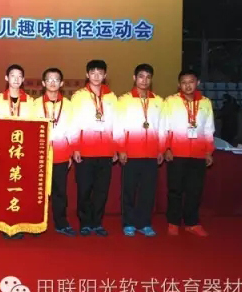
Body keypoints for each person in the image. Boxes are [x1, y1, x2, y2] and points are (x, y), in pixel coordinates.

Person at [160, 69, 214, 237]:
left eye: (191, 82)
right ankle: (173, 222)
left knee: (195, 190)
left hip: (198, 153)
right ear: (179, 84)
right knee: (175, 189)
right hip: (177, 152)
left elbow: (208, 129)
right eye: (184, 82)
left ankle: (192, 222)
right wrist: (166, 148)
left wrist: (209, 151)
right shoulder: (170, 101)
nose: (187, 86)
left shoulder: (205, 102)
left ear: (197, 83)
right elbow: (164, 126)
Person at [114, 64, 164, 237]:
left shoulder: (158, 101)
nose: (144, 80)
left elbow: (162, 127)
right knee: (129, 190)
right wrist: (121, 149)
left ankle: (144, 223)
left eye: (148, 77)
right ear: (134, 78)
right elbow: (118, 126)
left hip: (151, 153)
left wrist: (161, 149)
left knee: (148, 191)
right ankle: (128, 223)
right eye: (141, 76)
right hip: (131, 152)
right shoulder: (123, 100)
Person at [69, 59, 117, 237]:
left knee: (101, 190)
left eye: (100, 73)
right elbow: (73, 122)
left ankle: (97, 223)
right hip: (85, 151)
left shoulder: (111, 97)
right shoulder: (79, 96)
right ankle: (85, 223)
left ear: (105, 75)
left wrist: (115, 148)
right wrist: (75, 147)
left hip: (106, 151)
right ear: (87, 75)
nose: (96, 76)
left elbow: (116, 124)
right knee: (84, 189)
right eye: (93, 73)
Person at [0, 64, 36, 239]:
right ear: (6, 78)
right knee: (5, 188)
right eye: (12, 75)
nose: (16, 79)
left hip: (23, 152)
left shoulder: (30, 101)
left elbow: (33, 127)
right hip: (4, 151)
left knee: (22, 189)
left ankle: (21, 223)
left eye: (19, 76)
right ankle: (5, 223)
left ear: (23, 80)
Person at [33, 68, 76, 237]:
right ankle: (36, 222)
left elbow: (72, 130)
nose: (52, 83)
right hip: (39, 154)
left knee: (60, 191)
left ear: (61, 83)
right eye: (49, 79)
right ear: (43, 83)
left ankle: (61, 223)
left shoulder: (69, 105)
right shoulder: (35, 104)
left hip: (61, 153)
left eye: (56, 80)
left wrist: (71, 152)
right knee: (38, 191)